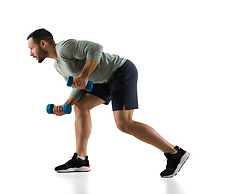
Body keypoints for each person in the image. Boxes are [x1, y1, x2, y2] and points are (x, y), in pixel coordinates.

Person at [27, 28, 190, 178]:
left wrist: (84, 75)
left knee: (124, 124)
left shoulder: (64, 48)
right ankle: (81, 159)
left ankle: (175, 153)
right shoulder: (58, 66)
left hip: (120, 72)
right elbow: (79, 87)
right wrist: (66, 105)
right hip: (103, 81)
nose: (30, 53)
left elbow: (96, 48)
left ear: (43, 44)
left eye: (31, 48)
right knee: (80, 106)